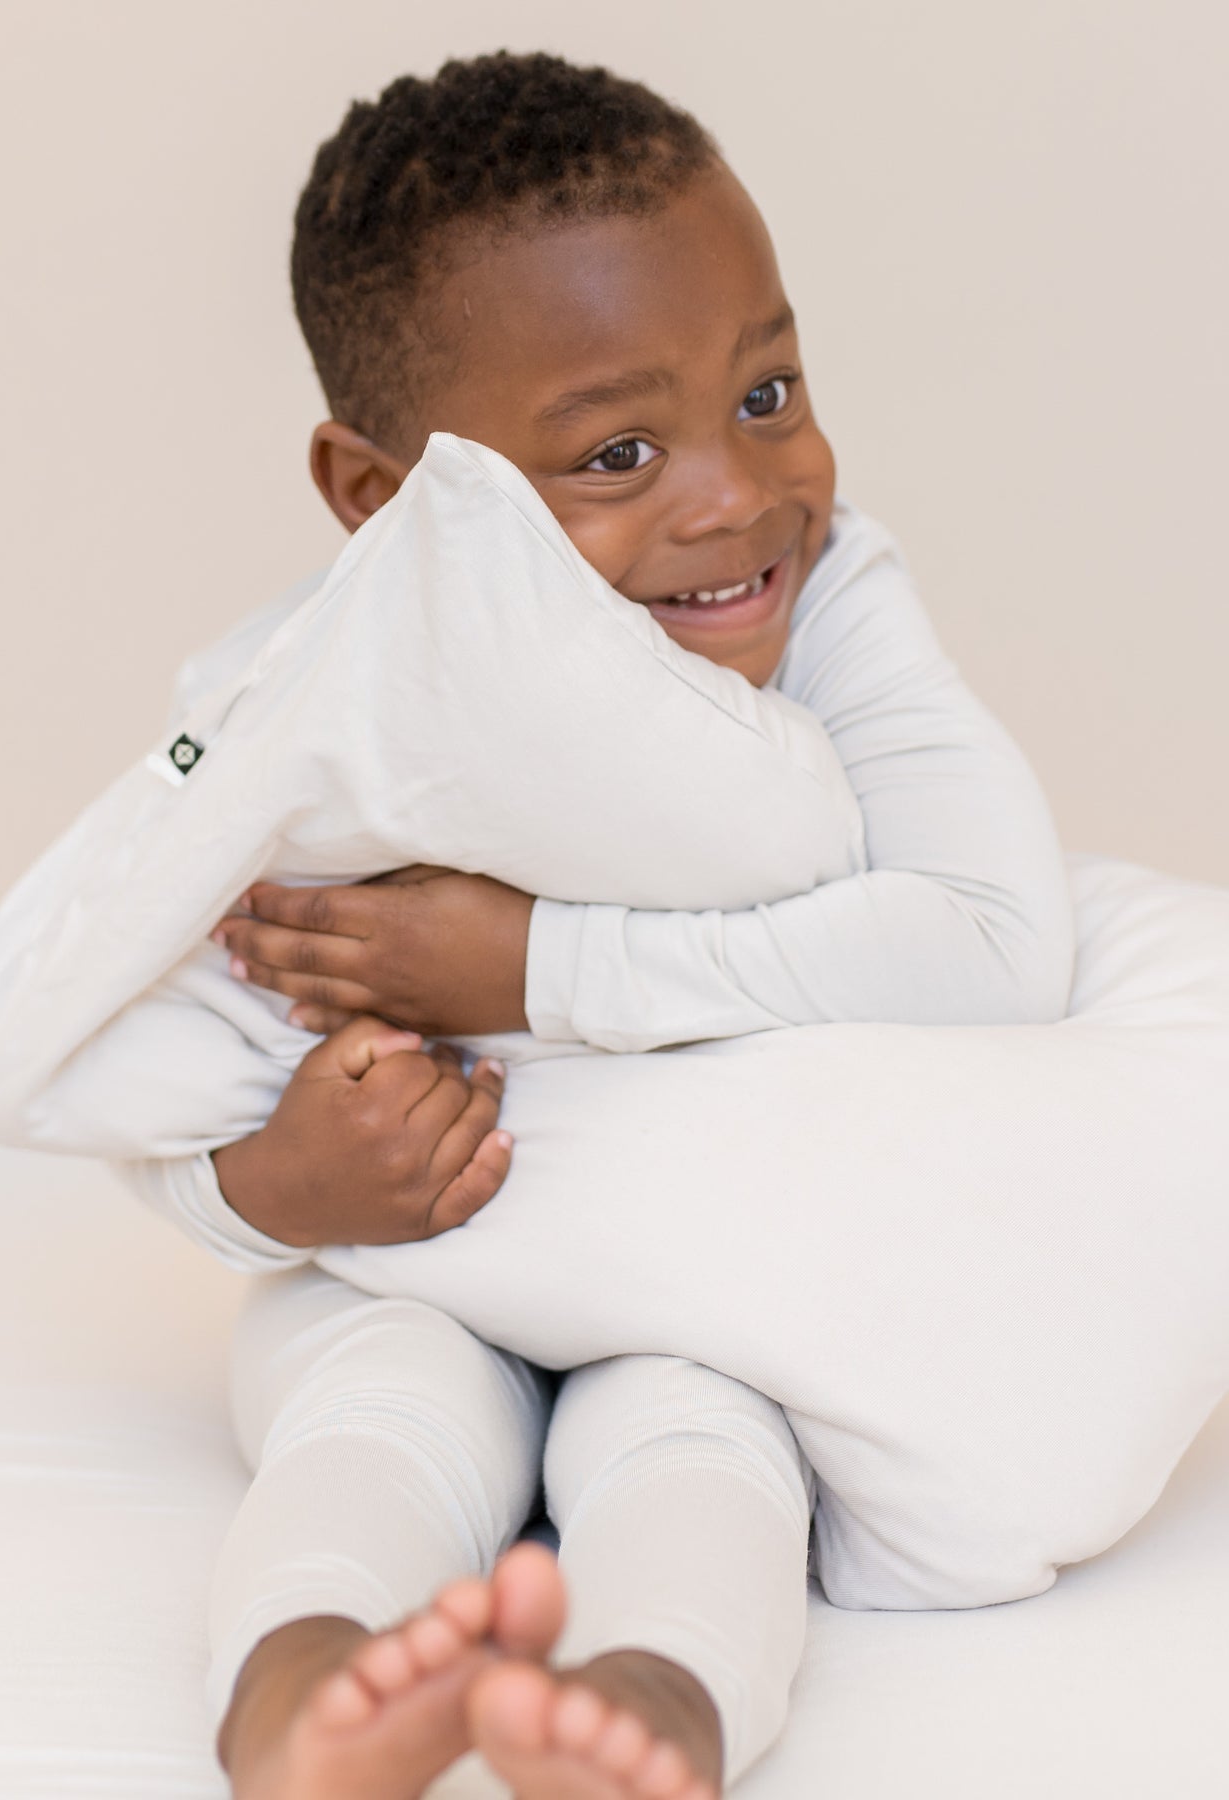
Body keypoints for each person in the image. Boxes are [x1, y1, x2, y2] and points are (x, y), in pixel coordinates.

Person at [115, 51, 1075, 1800]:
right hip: (419, 1265)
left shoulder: (834, 604)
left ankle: (652, 1712)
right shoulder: (314, 712)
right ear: (382, 498)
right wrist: (277, 1189)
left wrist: (531, 965)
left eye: (768, 391)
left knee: (710, 1437)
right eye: (619, 452)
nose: (734, 495)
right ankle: (305, 1703)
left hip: (706, 1276)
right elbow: (141, 1070)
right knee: (373, 1415)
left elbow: (997, 951)